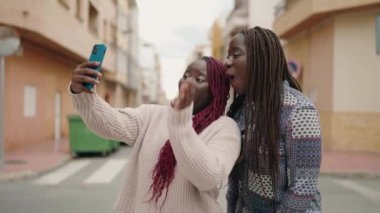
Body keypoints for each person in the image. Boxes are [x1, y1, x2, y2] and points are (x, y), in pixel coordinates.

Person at [69, 56, 241, 213]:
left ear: (216, 90)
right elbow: (110, 124)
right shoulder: (153, 115)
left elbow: (207, 177)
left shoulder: (224, 128)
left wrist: (180, 123)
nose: (188, 82)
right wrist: (83, 93)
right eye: (186, 75)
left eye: (199, 79)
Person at [224, 26, 322, 212]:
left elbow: (302, 191)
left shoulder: (299, 111)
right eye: (227, 55)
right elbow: (234, 187)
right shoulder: (240, 111)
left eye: (235, 55)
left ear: (260, 60)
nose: (226, 62)